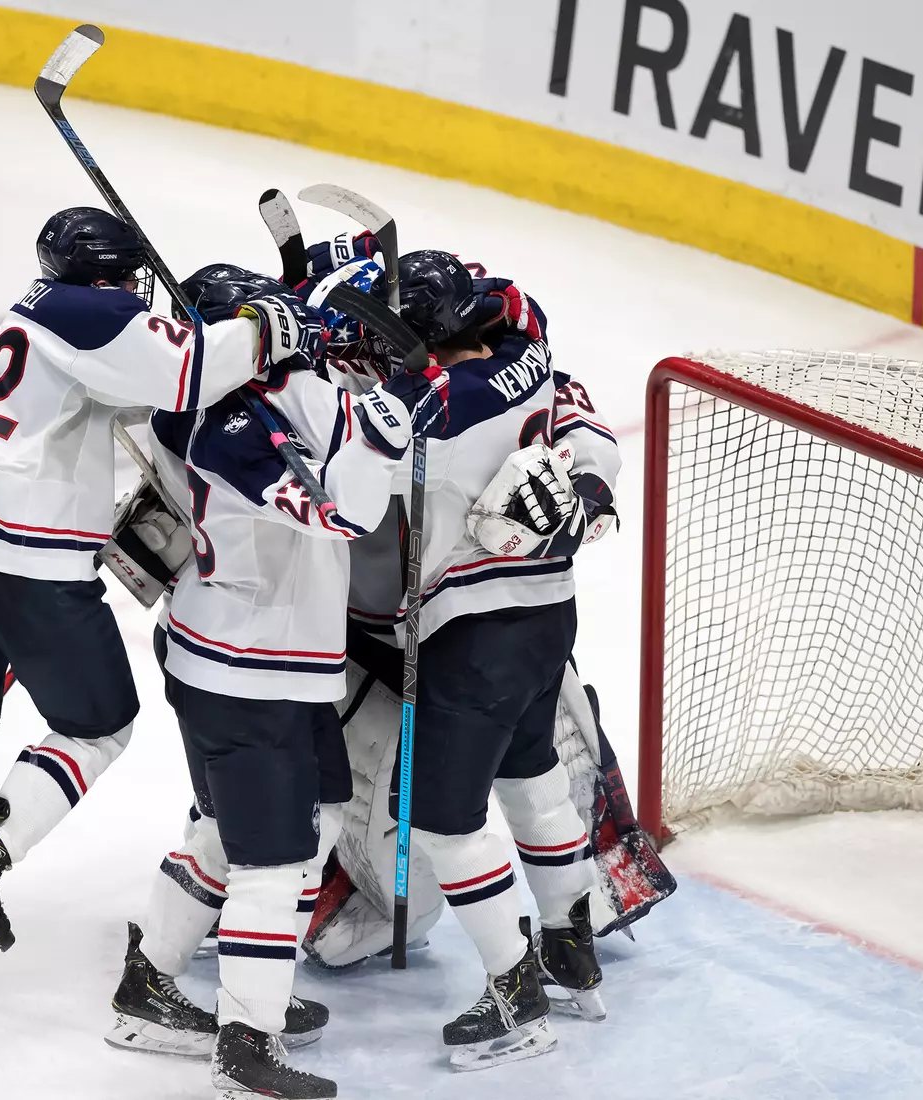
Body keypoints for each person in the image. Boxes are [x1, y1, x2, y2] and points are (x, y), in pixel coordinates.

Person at [0, 208, 319, 978]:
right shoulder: (93, 313)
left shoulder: (42, 310)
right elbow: (186, 373)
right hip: (24, 563)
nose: (136, 289)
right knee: (97, 727)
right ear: (108, 276)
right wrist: (265, 328)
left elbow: (152, 387)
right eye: (129, 277)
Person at [124, 262, 443, 1099]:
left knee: (296, 818)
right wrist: (387, 420)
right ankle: (245, 1046)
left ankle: (154, 983)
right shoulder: (228, 430)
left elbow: (303, 372)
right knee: (276, 859)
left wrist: (325, 311)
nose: (281, 332)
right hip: (248, 672)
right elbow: (345, 513)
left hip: (261, 662)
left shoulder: (223, 400)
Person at [325, 250, 622, 1068]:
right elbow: (575, 407)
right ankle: (571, 951)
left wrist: (376, 394)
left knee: (440, 821)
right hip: (548, 614)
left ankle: (515, 997)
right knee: (532, 780)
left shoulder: (430, 409)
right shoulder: (528, 357)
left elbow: (345, 500)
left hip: (473, 635)